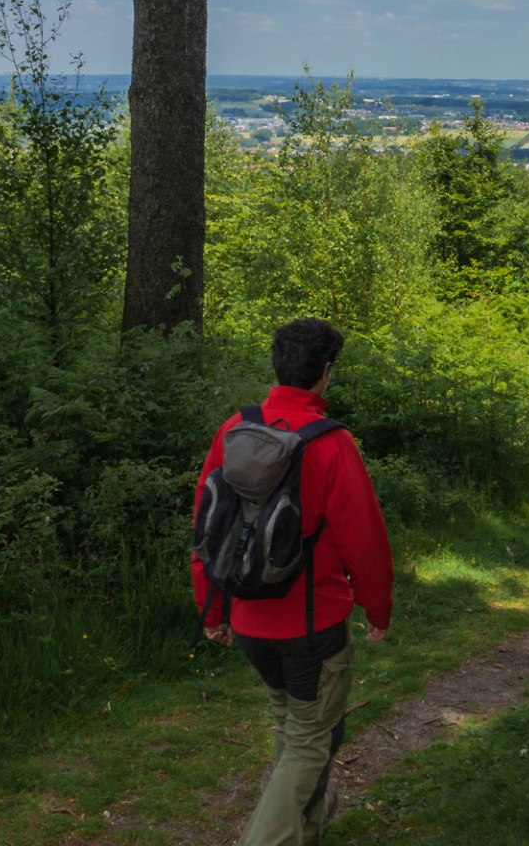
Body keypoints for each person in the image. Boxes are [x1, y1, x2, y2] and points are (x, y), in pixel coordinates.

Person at [191, 317, 394, 846]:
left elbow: (207, 530)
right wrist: (378, 610)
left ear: (277, 364)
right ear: (325, 372)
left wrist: (212, 611)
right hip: (313, 629)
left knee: (298, 727)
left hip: (250, 623)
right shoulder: (332, 444)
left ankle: (306, 833)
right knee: (309, 742)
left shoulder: (234, 431)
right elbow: (364, 540)